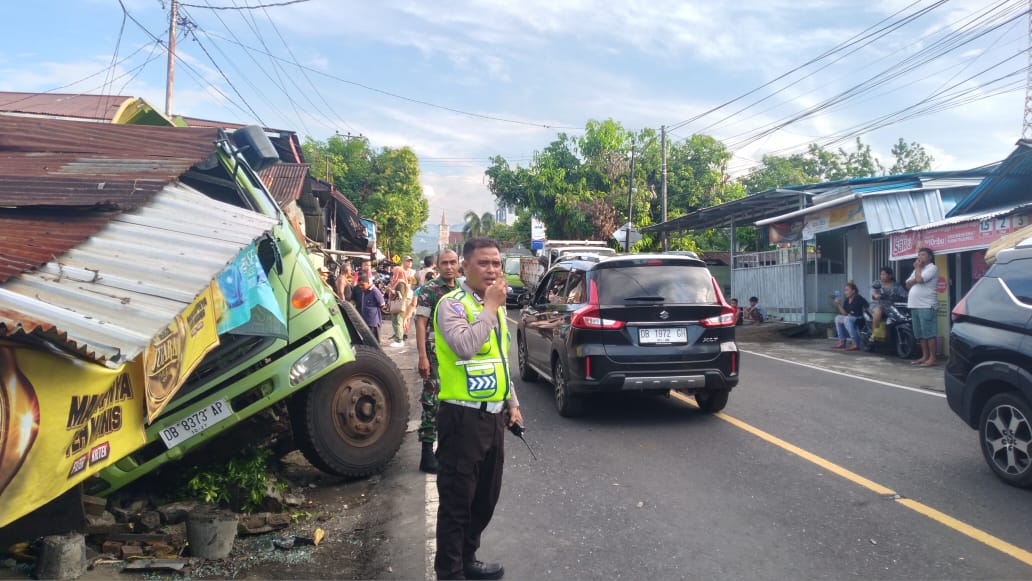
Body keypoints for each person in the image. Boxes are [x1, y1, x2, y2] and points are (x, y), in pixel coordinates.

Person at [433, 238, 523, 581]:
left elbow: (498, 361)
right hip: (461, 417)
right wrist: (489, 308)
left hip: (493, 415)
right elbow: (466, 347)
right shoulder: (451, 305)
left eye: (496, 263)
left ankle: (468, 557)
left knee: (486, 496)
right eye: (484, 263)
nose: (492, 270)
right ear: (464, 267)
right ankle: (450, 571)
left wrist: (512, 404)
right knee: (457, 500)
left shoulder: (494, 308)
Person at [414, 250, 460, 474]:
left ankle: (446, 451)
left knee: (454, 402)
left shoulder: (462, 289)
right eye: (445, 263)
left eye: (453, 263)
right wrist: (422, 357)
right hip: (434, 355)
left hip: (457, 355)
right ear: (438, 266)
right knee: (432, 402)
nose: (449, 267)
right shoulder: (429, 290)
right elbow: (421, 322)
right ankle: (426, 454)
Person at [906, 247, 939, 367]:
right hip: (914, 305)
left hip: (926, 305)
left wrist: (917, 270)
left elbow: (919, 280)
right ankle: (925, 356)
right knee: (920, 334)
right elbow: (908, 284)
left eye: (923, 255)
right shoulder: (918, 269)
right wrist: (917, 274)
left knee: (929, 333)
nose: (920, 257)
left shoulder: (932, 268)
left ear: (930, 257)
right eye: (919, 255)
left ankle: (933, 358)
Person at [870, 267, 906, 341]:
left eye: (884, 274)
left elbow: (904, 294)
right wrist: (876, 295)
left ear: (890, 275)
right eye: (881, 274)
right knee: (878, 311)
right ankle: (874, 333)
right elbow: (874, 294)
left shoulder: (896, 285)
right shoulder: (877, 283)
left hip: (891, 305)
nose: (882, 276)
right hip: (878, 304)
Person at [832, 281, 869, 351]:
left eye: (847, 290)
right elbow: (845, 313)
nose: (845, 292)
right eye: (845, 290)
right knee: (837, 318)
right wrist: (838, 304)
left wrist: (848, 316)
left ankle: (856, 343)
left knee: (847, 319)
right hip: (851, 318)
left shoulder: (858, 298)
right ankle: (842, 342)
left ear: (853, 291)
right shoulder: (847, 300)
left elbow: (858, 312)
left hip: (860, 319)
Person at [354, 273, 386, 343]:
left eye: (362, 285)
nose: (361, 287)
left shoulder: (375, 291)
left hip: (373, 322)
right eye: (359, 285)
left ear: (368, 283)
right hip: (365, 321)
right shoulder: (364, 291)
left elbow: (382, 305)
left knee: (375, 342)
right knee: (368, 342)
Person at [387, 266, 410, 348]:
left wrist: (391, 290)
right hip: (398, 304)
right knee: (396, 321)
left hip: (399, 305)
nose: (393, 274)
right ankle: (398, 337)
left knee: (398, 322)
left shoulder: (400, 283)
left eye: (395, 272)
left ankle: (399, 340)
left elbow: (401, 295)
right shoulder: (398, 282)